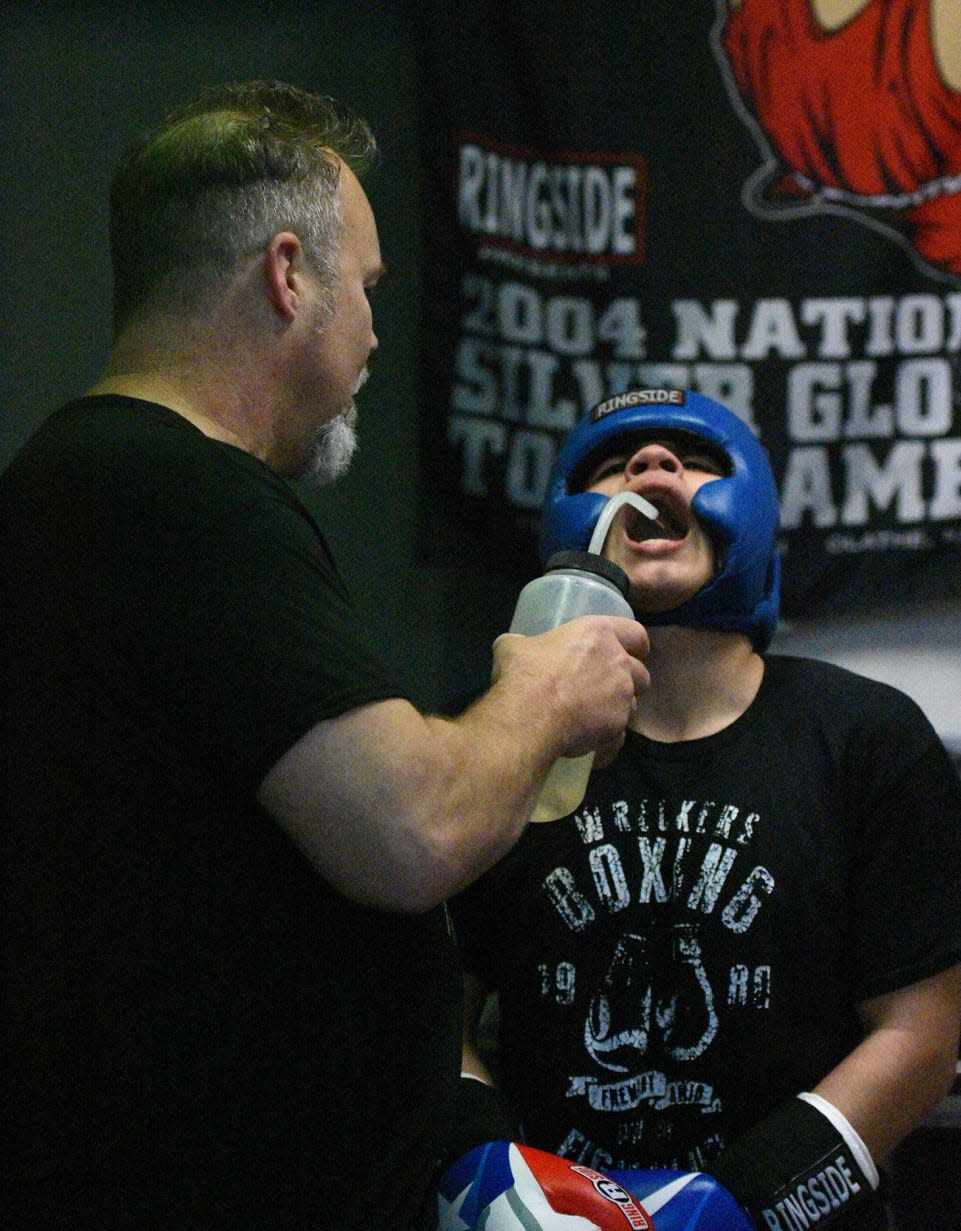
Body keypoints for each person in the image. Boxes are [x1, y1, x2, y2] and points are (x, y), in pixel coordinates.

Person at [0, 81, 651, 1231]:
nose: (373, 332)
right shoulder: (169, 492)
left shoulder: (103, 488)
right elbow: (412, 830)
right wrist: (546, 690)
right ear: (289, 275)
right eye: (366, 289)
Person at [450, 388, 961, 1230]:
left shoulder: (865, 737)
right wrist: (490, 1175)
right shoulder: (494, 736)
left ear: (748, 506)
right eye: (617, 463)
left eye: (691, 459)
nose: (651, 467)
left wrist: (752, 1204)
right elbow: (429, 1008)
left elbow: (923, 1035)